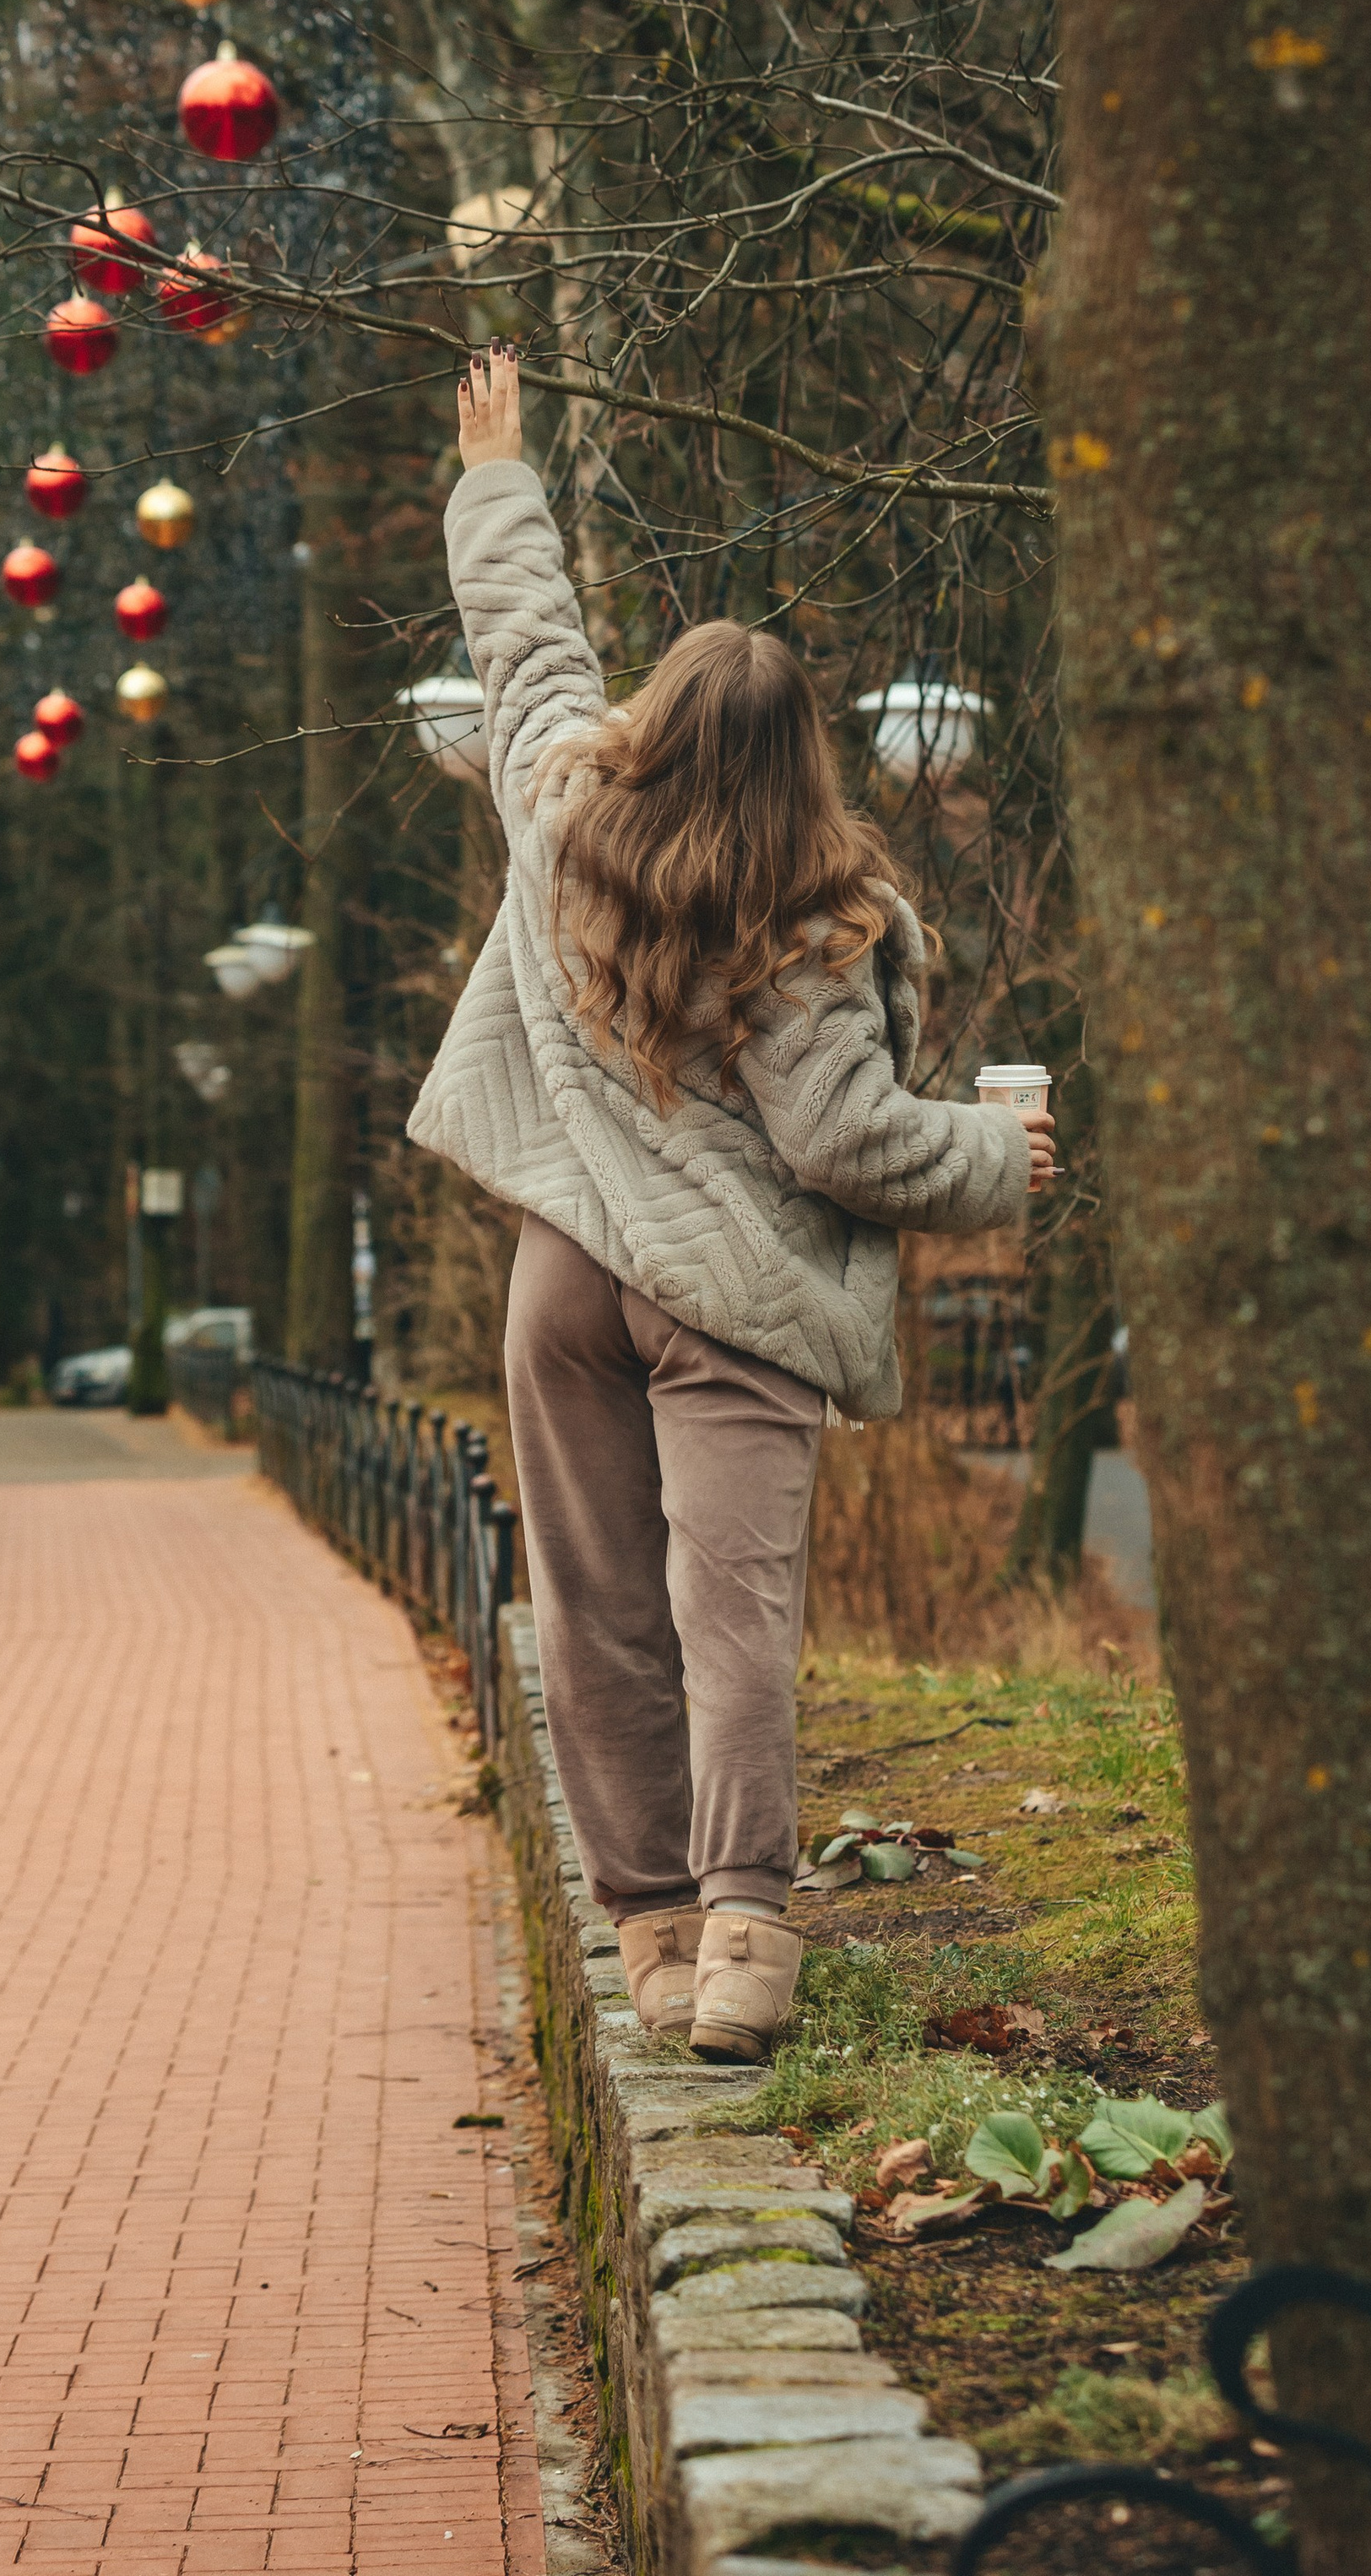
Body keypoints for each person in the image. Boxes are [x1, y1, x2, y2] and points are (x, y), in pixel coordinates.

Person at [408, 348, 1055, 2064]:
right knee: (732, 1613)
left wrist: (495, 469)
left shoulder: (558, 812)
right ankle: (748, 1932)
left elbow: (527, 643)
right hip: (730, 1297)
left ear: (655, 727)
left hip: (563, 1281)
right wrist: (997, 1160)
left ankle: (652, 1934)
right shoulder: (807, 922)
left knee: (600, 1603)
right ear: (796, 760)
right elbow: (843, 1145)